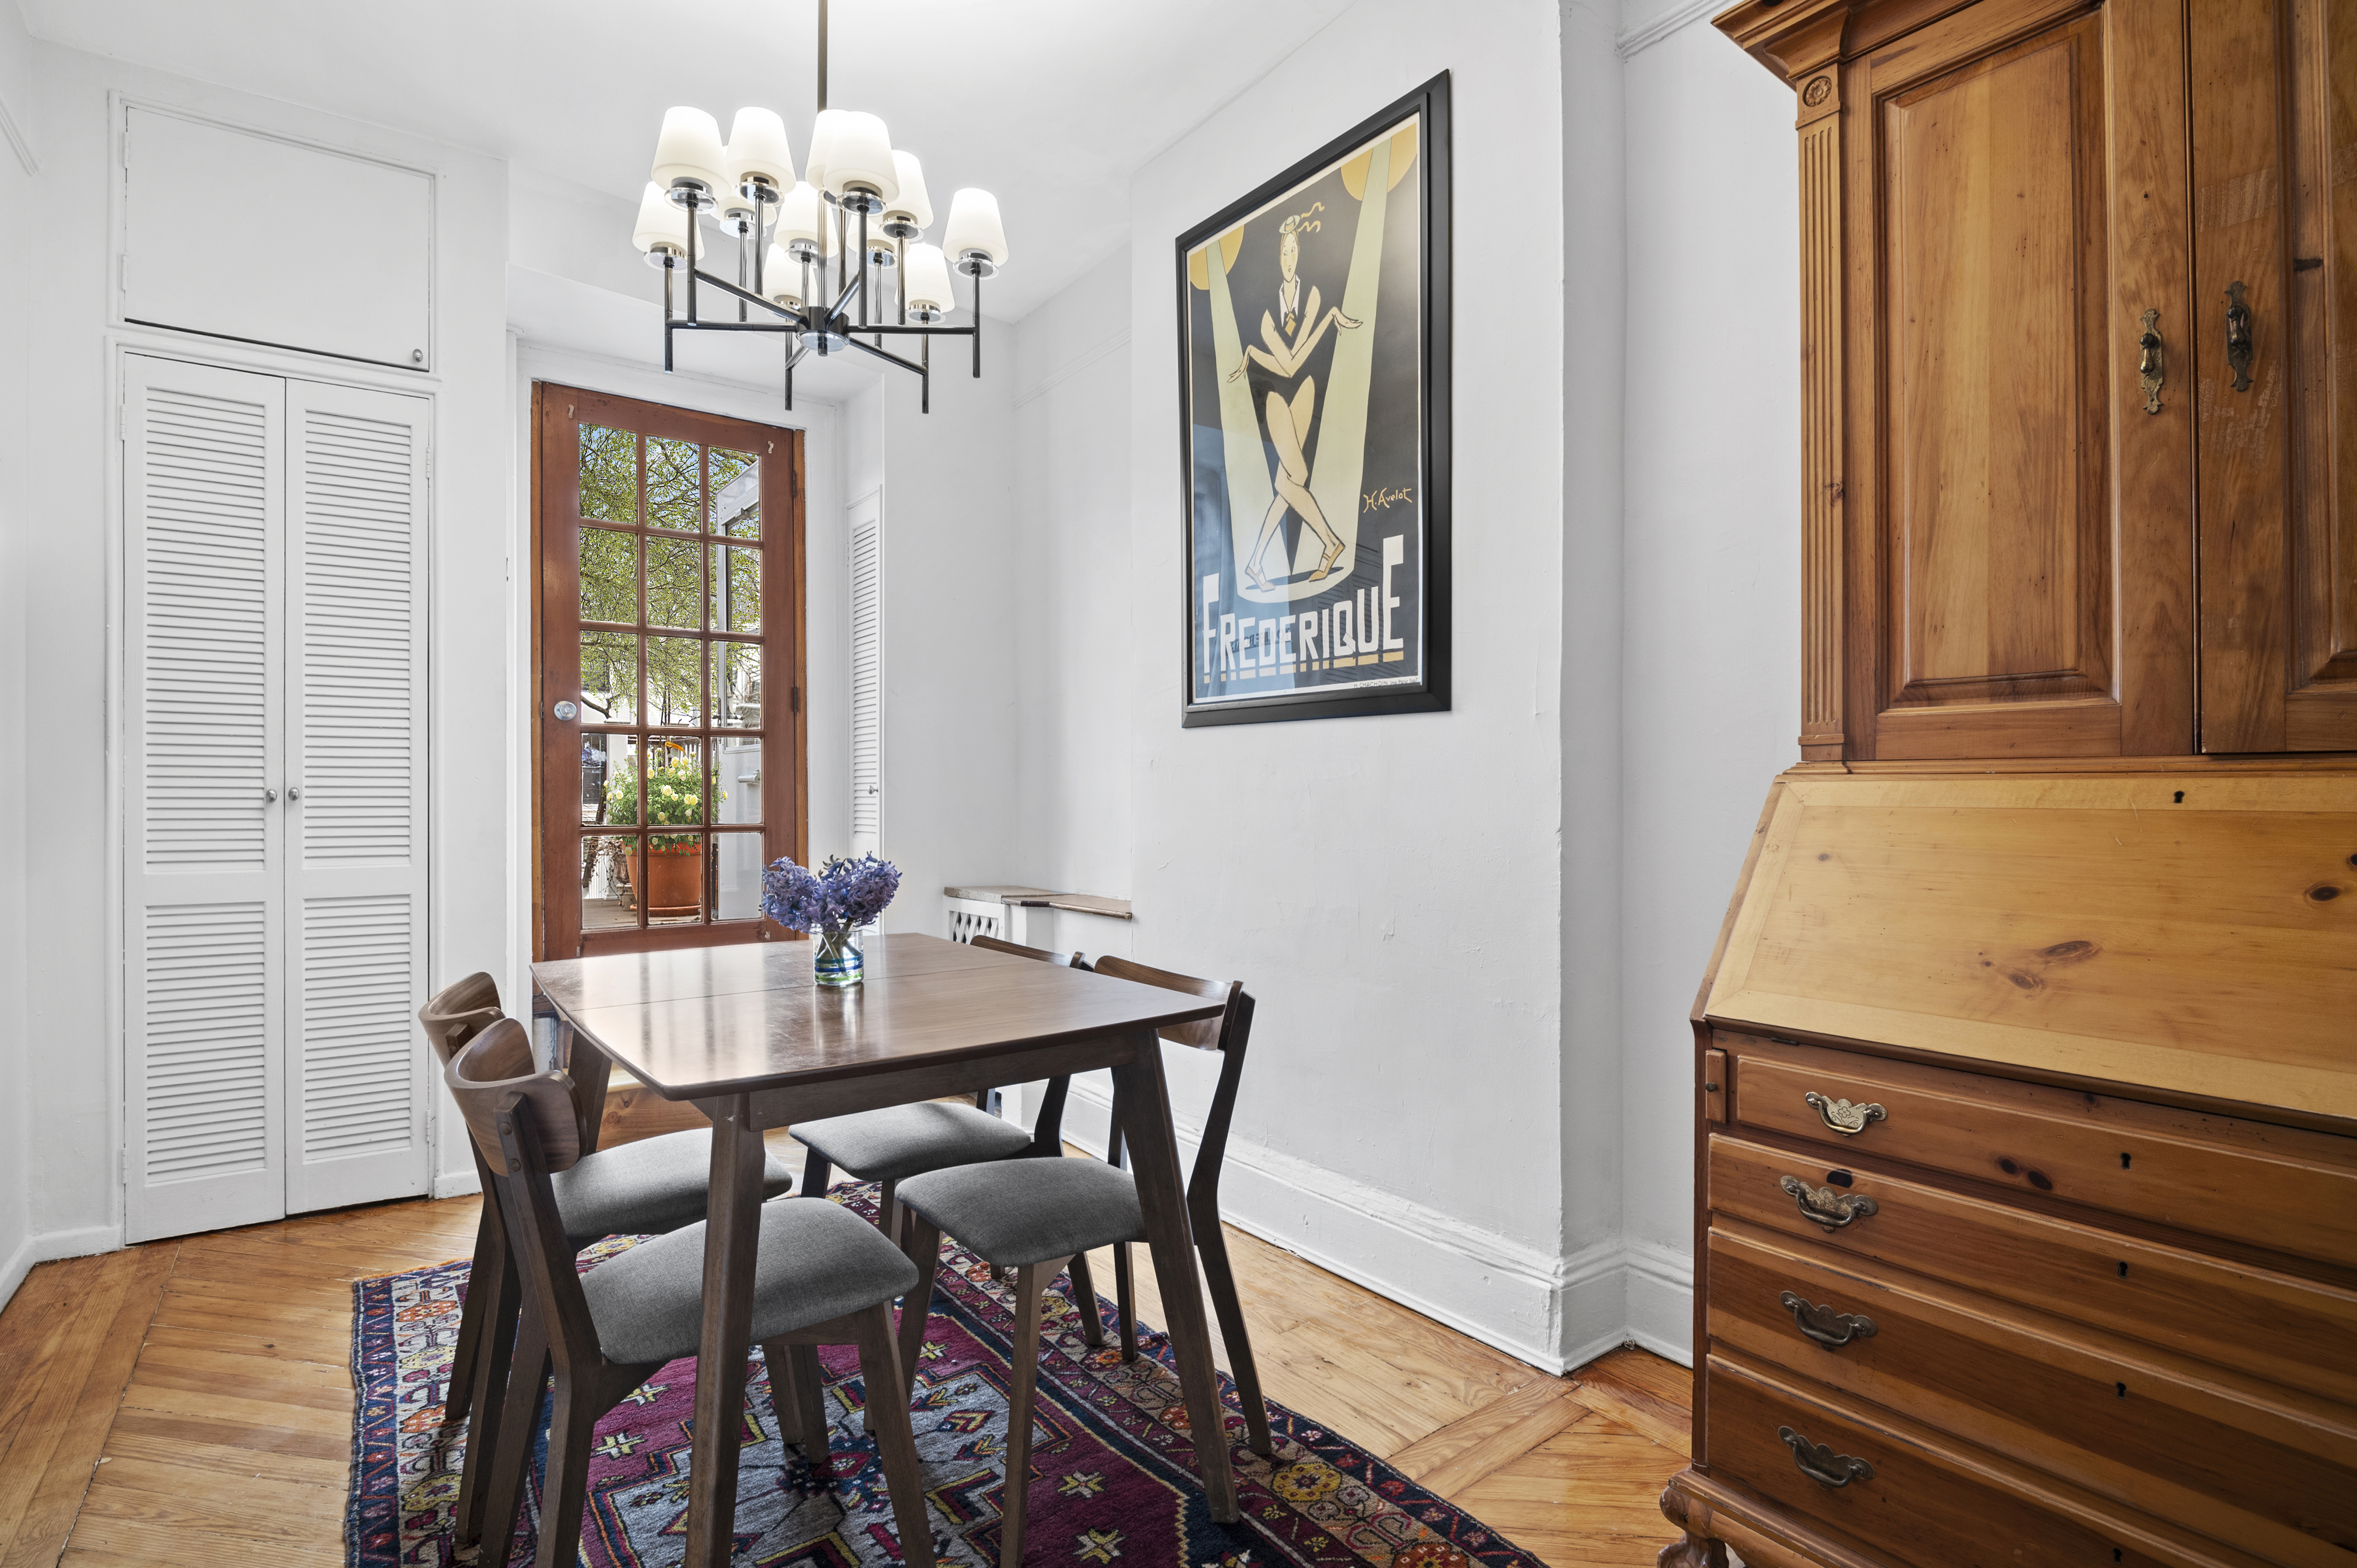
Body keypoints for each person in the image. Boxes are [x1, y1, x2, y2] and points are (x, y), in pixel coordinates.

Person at [1228, 203, 1362, 591]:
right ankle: (1331, 543)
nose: (1288, 259)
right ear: (1277, 258)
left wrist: (1257, 352)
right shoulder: (1268, 315)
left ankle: (1256, 563)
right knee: (1297, 477)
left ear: (1299, 253)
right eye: (1283, 252)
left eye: (1293, 251)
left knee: (1287, 484)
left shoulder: (1315, 295)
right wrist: (1326, 321)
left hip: (1305, 388)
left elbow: (1298, 361)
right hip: (1274, 393)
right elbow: (1286, 365)